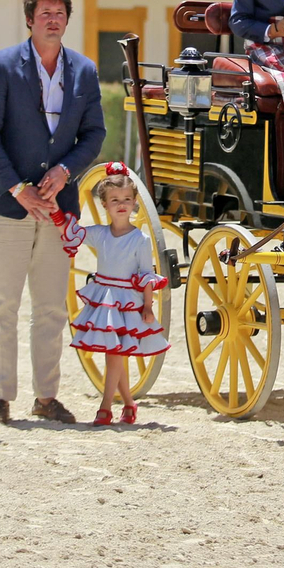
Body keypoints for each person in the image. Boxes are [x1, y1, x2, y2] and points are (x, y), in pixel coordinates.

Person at [0, 0, 106, 426]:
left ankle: (46, 398)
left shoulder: (85, 71)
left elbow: (94, 135)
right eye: (44, 12)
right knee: (3, 305)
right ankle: (0, 398)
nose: (53, 18)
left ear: (68, 20)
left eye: (59, 12)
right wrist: (17, 187)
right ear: (29, 19)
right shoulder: (3, 65)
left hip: (57, 207)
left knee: (51, 307)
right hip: (8, 204)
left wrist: (66, 170)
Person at [55, 163, 169, 426]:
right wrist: (57, 213)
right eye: (115, 200)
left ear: (134, 203)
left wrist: (148, 307)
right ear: (104, 204)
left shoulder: (140, 239)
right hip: (105, 301)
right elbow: (75, 233)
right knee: (114, 352)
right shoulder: (100, 234)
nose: (122, 205)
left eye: (127, 200)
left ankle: (105, 406)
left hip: (128, 303)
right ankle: (128, 403)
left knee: (115, 353)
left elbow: (146, 274)